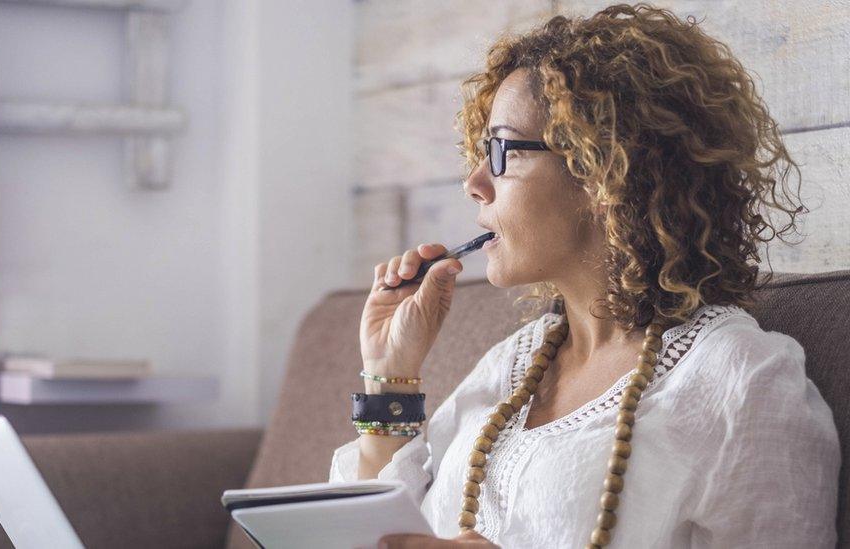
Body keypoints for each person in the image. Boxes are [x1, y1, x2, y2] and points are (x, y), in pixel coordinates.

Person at [329, 3, 841, 548]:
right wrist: (389, 374)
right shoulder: (510, 366)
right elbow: (371, 537)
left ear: (603, 170)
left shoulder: (740, 380)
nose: (475, 183)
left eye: (501, 150)